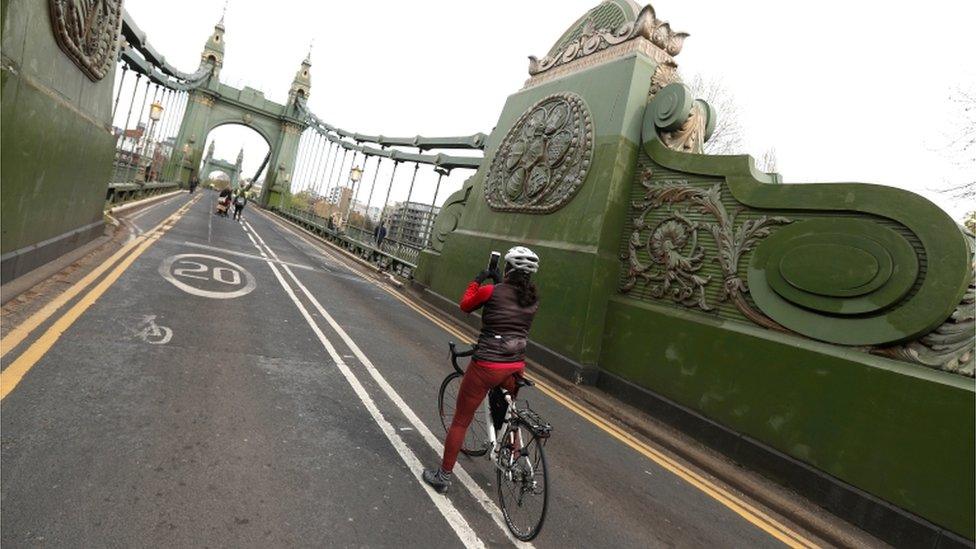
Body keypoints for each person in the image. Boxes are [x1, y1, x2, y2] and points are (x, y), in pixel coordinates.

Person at [422, 246, 541, 493]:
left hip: (487, 364)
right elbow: (512, 311)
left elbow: (466, 305)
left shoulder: (490, 291)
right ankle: (515, 457)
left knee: (461, 421)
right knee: (509, 411)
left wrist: (478, 279)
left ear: (507, 268)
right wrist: (500, 284)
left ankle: (443, 477)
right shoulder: (532, 300)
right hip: (515, 365)